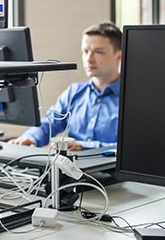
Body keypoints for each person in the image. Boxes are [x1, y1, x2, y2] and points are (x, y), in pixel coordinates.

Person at [9, 21, 122, 151]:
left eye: (98, 52)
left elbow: (133, 147)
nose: (89, 59)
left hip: (109, 170)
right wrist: (31, 138)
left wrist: (85, 147)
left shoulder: (133, 100)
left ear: (119, 56)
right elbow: (49, 123)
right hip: (71, 169)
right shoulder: (74, 93)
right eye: (85, 51)